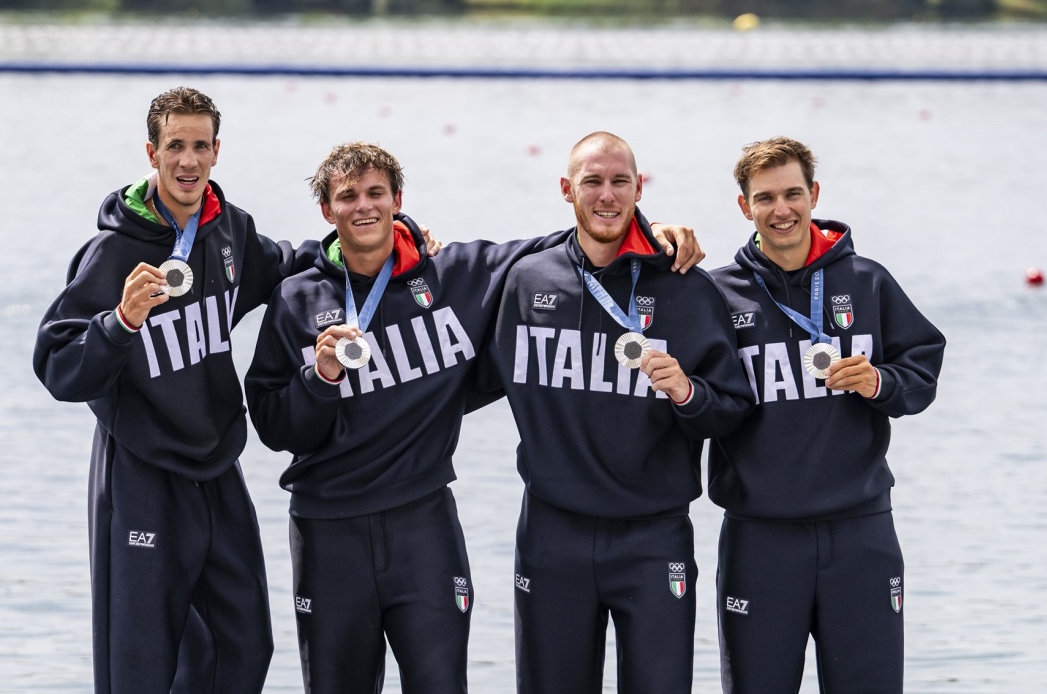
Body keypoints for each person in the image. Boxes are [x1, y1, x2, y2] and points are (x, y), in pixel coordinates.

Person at [242, 141, 703, 694]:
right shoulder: (297, 300)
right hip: (327, 531)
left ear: (398, 201)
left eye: (375, 194)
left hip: (424, 527)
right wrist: (319, 379)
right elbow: (272, 427)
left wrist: (655, 233)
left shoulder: (454, 276)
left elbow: (573, 239)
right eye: (348, 197)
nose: (363, 207)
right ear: (327, 210)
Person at [32, 86, 311, 693]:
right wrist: (121, 322)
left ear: (217, 153)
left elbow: (287, 263)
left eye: (200, 147)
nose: (188, 161)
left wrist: (364, 243)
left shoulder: (230, 229)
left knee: (244, 643)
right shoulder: (113, 251)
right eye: (175, 146)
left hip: (216, 466)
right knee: (139, 660)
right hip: (140, 471)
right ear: (152, 152)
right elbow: (58, 366)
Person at [487, 131, 755, 694]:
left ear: (639, 188)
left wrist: (687, 392)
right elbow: (464, 377)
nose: (606, 196)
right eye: (592, 182)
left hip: (652, 538)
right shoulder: (527, 281)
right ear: (566, 189)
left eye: (619, 182)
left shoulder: (684, 286)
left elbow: (732, 413)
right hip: (551, 533)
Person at [707, 136, 946, 693]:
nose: (781, 209)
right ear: (745, 207)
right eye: (765, 198)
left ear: (814, 195)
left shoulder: (866, 280)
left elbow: (923, 368)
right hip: (759, 538)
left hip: (859, 533)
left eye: (793, 193)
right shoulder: (718, 294)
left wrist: (879, 380)